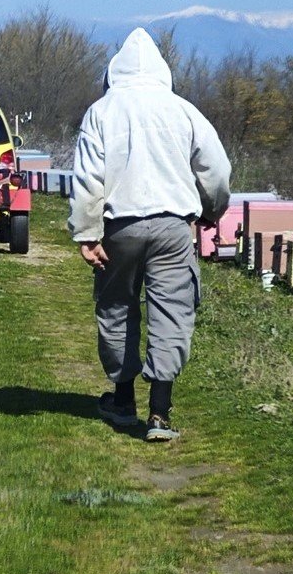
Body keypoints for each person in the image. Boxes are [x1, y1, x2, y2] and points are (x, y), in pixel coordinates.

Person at [69, 28, 231, 441]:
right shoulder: (183, 110)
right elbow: (216, 169)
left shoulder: (101, 112)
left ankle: (123, 401)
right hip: (174, 226)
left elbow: (87, 178)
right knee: (172, 311)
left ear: (114, 72)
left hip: (118, 227)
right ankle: (159, 413)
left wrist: (87, 234)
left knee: (117, 307)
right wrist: (212, 209)